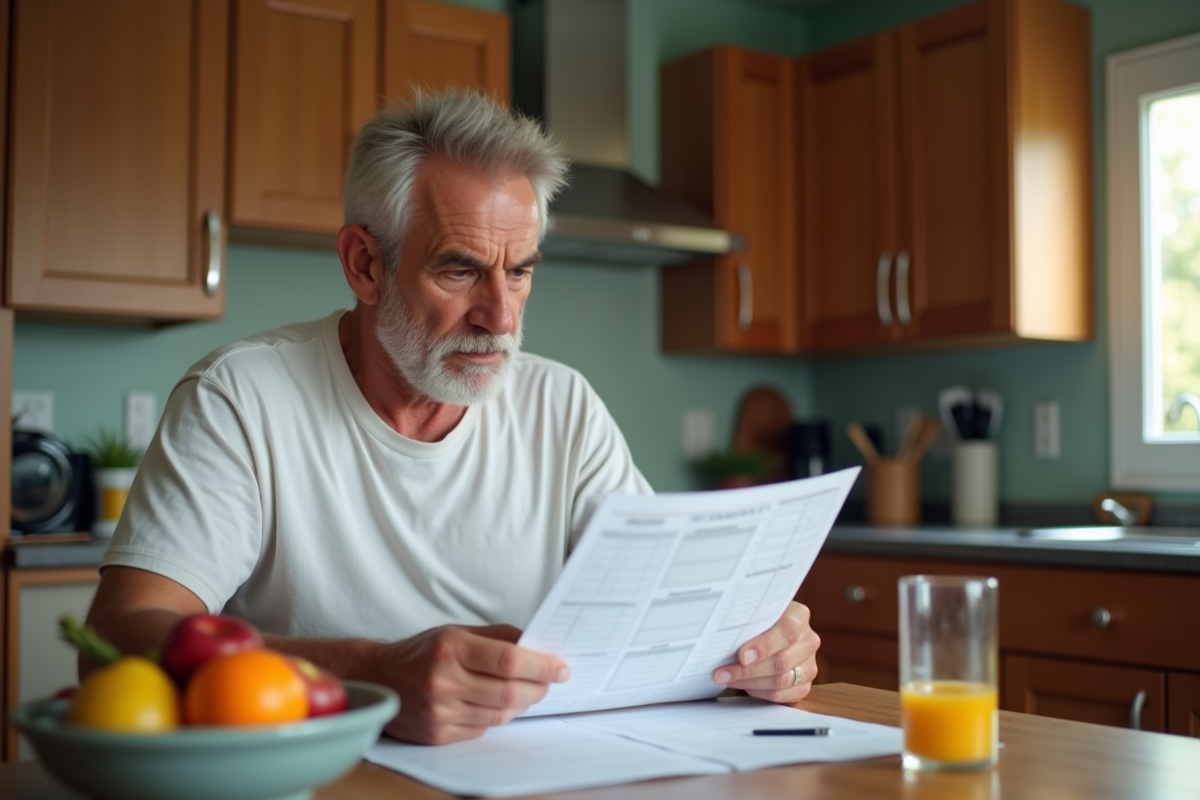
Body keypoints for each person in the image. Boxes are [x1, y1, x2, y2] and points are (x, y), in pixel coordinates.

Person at [84, 90, 821, 745]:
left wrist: (759, 648)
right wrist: (370, 673)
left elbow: (666, 612)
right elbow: (117, 639)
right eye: (460, 269)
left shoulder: (563, 407)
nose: (500, 316)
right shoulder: (241, 398)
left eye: (520, 271)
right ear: (365, 265)